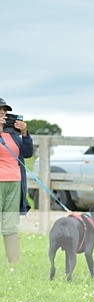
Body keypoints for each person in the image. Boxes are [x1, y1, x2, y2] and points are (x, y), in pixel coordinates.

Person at [0, 98, 33, 263]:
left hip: (14, 182)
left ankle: (14, 264)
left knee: (11, 225)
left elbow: (27, 153)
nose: (4, 115)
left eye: (5, 112)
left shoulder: (12, 133)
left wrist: (25, 134)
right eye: (0, 112)